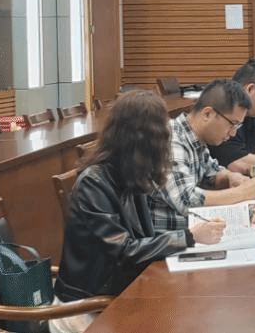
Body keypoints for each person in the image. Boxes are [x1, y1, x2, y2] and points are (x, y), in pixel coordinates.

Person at [50, 91, 225, 333]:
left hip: (119, 292)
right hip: (88, 307)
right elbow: (124, 250)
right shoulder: (94, 183)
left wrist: (193, 232)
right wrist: (189, 236)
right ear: (144, 141)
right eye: (162, 138)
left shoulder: (131, 173)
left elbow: (144, 236)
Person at [148, 78, 255, 231]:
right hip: (171, 238)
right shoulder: (171, 140)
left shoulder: (196, 138)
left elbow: (211, 173)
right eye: (232, 124)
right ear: (207, 114)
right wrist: (241, 193)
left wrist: (230, 177)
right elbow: (187, 201)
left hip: (196, 230)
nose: (233, 133)